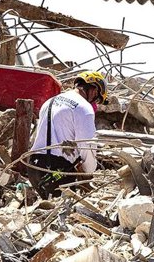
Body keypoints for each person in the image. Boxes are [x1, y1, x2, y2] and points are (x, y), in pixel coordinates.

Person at [27, 71, 107, 199]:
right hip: (57, 170)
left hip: (33, 166)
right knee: (64, 214)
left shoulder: (50, 101)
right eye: (97, 99)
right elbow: (87, 145)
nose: (95, 103)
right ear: (94, 90)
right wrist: (89, 171)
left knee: (46, 212)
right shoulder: (83, 108)